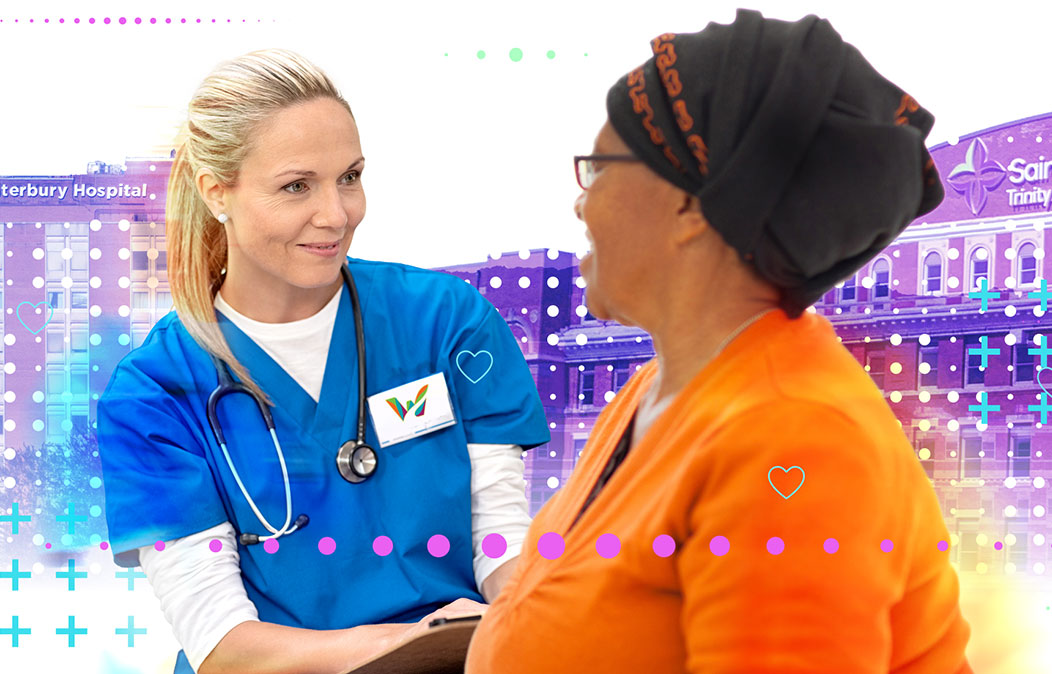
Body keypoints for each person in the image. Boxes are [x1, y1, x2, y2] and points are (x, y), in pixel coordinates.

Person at [466, 9, 972, 674]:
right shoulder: (661, 387)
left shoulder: (792, 445)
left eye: (602, 168)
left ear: (692, 207)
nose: (580, 203)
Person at [96, 49, 549, 674]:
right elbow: (224, 647)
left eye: (350, 176)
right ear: (216, 190)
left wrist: (534, 621)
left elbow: (499, 541)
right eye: (295, 186)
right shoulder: (155, 393)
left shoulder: (446, 322)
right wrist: (406, 647)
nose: (337, 215)